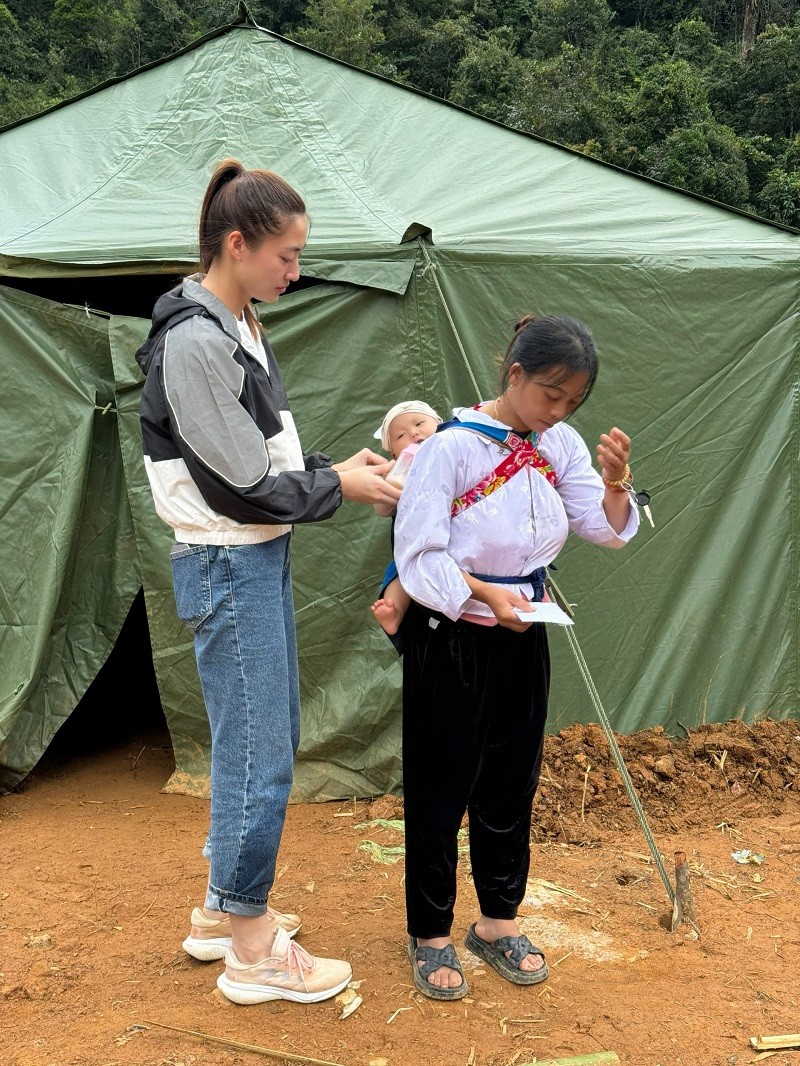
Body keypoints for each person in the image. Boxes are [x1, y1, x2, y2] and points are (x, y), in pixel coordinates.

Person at [136, 159, 401, 1006]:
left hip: (252, 555)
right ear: (238, 244)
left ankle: (222, 911)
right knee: (260, 757)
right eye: (286, 256)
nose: (295, 270)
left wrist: (332, 467)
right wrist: (342, 486)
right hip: (227, 556)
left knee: (264, 735)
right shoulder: (195, 340)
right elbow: (239, 485)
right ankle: (252, 949)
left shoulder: (236, 321)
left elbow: (260, 460)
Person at [393, 314, 639, 1000]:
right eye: (549, 394)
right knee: (442, 787)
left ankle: (498, 922)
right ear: (514, 375)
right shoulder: (450, 449)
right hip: (452, 631)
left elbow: (602, 527)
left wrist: (617, 482)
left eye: (571, 402)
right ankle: (430, 934)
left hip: (523, 628)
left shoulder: (558, 445)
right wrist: (481, 596)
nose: (557, 412)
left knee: (510, 782)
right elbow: (419, 556)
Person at [369, 401, 442, 638]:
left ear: (441, 426)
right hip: (415, 549)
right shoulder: (399, 473)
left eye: (420, 423)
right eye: (401, 436)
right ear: (393, 453)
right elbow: (382, 509)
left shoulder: (454, 455)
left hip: (455, 545)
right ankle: (395, 612)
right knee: (402, 575)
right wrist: (393, 481)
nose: (413, 433)